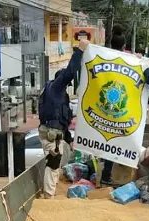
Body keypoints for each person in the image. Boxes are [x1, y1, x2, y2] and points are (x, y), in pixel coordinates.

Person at [38, 39, 90, 199]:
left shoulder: (58, 96)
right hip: (50, 134)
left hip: (56, 134)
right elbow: (69, 72)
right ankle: (48, 195)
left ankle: (50, 192)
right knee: (53, 164)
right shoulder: (56, 87)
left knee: (55, 163)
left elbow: (63, 121)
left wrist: (70, 140)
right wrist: (80, 51)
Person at [101, 25, 142, 185]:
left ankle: (105, 176)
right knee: (123, 143)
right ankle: (124, 177)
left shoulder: (104, 56)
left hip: (106, 110)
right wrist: (139, 58)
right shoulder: (130, 59)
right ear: (124, 45)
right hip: (124, 111)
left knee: (107, 144)